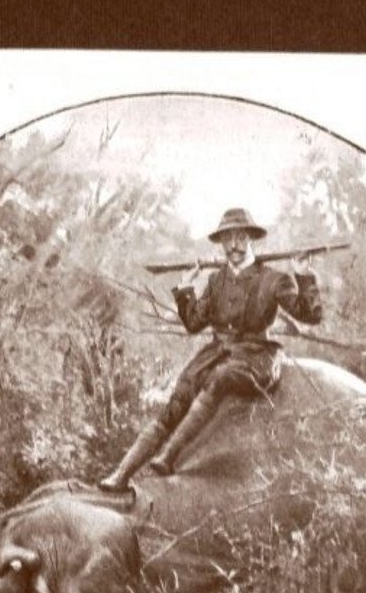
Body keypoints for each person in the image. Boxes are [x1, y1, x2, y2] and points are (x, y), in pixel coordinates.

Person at [98, 207, 324, 492]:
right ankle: (121, 475)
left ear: (250, 239)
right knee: (182, 393)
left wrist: (303, 275)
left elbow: (311, 316)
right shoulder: (216, 281)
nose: (233, 246)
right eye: (227, 239)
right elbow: (194, 323)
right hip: (217, 352)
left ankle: (168, 456)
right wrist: (185, 288)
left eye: (240, 238)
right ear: (221, 243)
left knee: (220, 377)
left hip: (256, 355)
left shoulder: (273, 279)